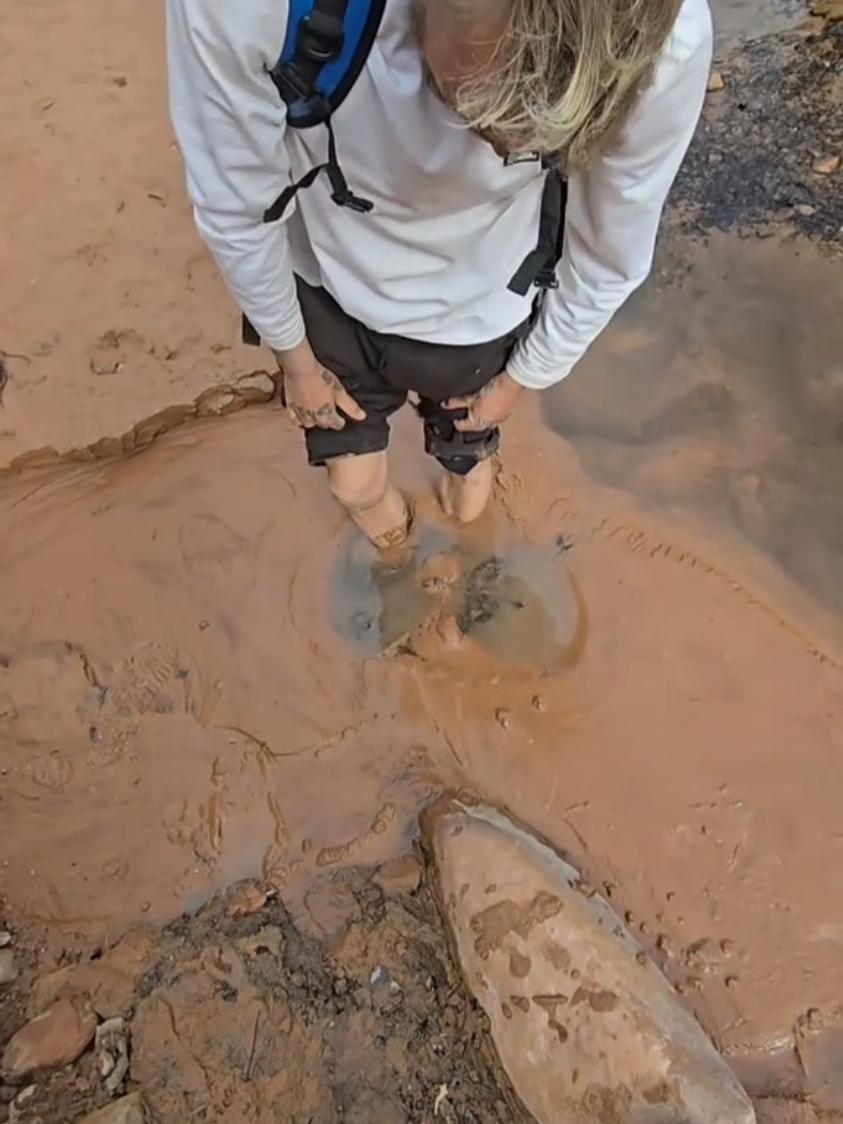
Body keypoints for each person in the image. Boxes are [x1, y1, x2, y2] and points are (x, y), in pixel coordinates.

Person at [166, 0, 712, 548]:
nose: (498, 150)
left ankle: (468, 549)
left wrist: (523, 376)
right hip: (328, 291)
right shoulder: (248, 9)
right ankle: (396, 551)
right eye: (485, 107)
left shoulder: (667, 39)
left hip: (479, 312)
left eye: (536, 143)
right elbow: (238, 207)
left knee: (467, 464)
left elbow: (609, 256)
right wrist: (296, 361)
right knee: (355, 488)